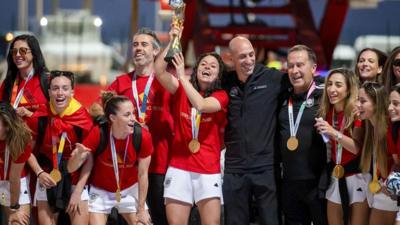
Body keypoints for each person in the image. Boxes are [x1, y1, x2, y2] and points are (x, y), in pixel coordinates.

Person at [90, 27, 173, 225]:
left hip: (161, 163)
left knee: (159, 219)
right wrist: (121, 121)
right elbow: (95, 108)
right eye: (135, 44)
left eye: (144, 44)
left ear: (155, 51)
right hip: (128, 168)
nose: (138, 48)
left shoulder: (166, 81)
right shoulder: (121, 82)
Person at [154, 26, 228, 225]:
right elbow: (159, 71)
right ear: (197, 69)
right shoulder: (181, 90)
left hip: (208, 169)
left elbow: (202, 105)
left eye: (213, 66)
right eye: (203, 63)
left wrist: (181, 76)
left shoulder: (221, 96)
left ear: (219, 74)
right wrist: (173, 40)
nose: (207, 67)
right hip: (179, 168)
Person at [222, 36, 290, 225]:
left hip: (266, 168)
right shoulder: (225, 82)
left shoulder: (273, 78)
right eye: (242, 56)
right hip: (234, 168)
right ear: (230, 58)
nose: (249, 60)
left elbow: (303, 84)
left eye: (251, 54)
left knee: (271, 221)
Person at [68, 92, 153, 225]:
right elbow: (70, 168)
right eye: (127, 115)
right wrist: (77, 157)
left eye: (133, 113)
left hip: (129, 189)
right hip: (101, 191)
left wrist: (141, 209)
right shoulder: (98, 132)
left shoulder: (143, 136)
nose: (133, 119)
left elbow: (143, 175)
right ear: (112, 118)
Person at [27, 70, 94, 225]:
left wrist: (77, 191)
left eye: (64, 88)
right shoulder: (40, 116)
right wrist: (39, 173)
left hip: (75, 177)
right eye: (55, 88)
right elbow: (27, 152)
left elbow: (89, 159)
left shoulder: (83, 118)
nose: (60, 93)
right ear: (49, 91)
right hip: (48, 174)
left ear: (72, 92)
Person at [276, 45, 327, 225]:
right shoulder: (282, 97)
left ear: (313, 68)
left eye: (300, 65)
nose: (295, 71)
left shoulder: (325, 95)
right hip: (289, 182)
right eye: (290, 66)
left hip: (319, 184)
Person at [315, 68, 369, 225]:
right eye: (329, 84)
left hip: (357, 177)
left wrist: (333, 132)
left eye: (338, 85)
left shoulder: (356, 113)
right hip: (335, 176)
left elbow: (356, 148)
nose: (332, 89)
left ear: (348, 89)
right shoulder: (327, 111)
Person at [356, 82, 398, 225]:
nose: (357, 104)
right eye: (357, 100)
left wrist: (390, 184)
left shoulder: (389, 127)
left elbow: (397, 163)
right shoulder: (371, 127)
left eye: (363, 101)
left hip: (390, 191)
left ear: (377, 103)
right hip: (380, 189)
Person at [0, 34, 49, 118]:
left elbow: (58, 115)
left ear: (34, 53)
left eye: (23, 50)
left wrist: (31, 114)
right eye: (14, 51)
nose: (17, 55)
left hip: (40, 131)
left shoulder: (48, 81)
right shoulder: (7, 83)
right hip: (14, 131)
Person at [0, 101, 32, 225]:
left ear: (7, 126)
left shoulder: (20, 141)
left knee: (17, 221)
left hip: (14, 185)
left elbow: (14, 178)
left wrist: (15, 208)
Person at [388, 84, 400, 225]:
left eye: (396, 104)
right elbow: (397, 164)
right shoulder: (393, 130)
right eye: (389, 103)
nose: (390, 108)